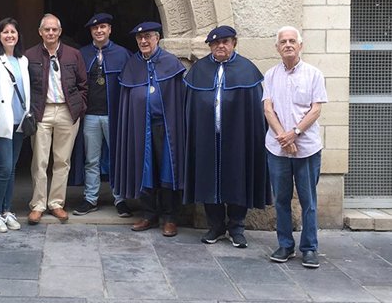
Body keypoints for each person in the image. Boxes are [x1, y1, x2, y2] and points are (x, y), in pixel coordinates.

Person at [184, 25, 271, 248]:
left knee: (237, 178)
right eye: (215, 43)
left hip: (237, 136)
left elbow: (254, 110)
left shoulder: (247, 70)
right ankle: (215, 226)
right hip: (207, 136)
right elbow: (190, 106)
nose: (220, 46)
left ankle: (237, 228)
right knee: (208, 178)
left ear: (234, 43)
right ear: (210, 46)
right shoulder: (199, 69)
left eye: (225, 42)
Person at [263, 26, 327, 268]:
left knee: (308, 200)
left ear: (300, 45)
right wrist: (283, 137)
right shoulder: (270, 75)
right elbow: (268, 109)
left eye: (292, 41)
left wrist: (295, 133)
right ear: (277, 47)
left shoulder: (314, 74)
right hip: (277, 149)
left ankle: (310, 248)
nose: (288, 44)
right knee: (281, 199)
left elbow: (316, 108)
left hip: (307, 148)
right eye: (283, 41)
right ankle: (285, 245)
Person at [115, 21, 185, 237]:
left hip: (165, 127)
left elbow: (178, 98)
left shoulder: (170, 62)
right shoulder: (132, 65)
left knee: (167, 171)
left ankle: (170, 217)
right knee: (145, 170)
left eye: (148, 37)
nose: (143, 41)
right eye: (139, 38)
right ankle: (148, 214)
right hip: (139, 126)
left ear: (157, 38)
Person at [25, 14, 88, 224]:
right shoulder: (30, 55)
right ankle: (38, 205)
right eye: (46, 30)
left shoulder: (73, 54)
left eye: (54, 29)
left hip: (66, 111)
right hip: (41, 112)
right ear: (40, 32)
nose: (50, 33)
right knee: (39, 160)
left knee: (63, 160)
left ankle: (56, 203)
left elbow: (83, 84)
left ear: (59, 32)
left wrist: (80, 107)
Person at [72, 13, 132, 217]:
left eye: (103, 27)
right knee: (92, 159)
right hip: (90, 115)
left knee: (117, 158)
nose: (99, 31)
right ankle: (90, 198)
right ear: (91, 31)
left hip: (113, 115)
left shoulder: (122, 54)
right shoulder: (82, 53)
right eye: (95, 28)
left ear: (109, 30)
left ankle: (120, 198)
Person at [0, 18, 30, 232]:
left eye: (13, 31)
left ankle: (6, 210)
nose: (10, 35)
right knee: (3, 168)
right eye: (5, 32)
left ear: (18, 35)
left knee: (11, 170)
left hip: (19, 122)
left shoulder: (23, 60)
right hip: (0, 122)